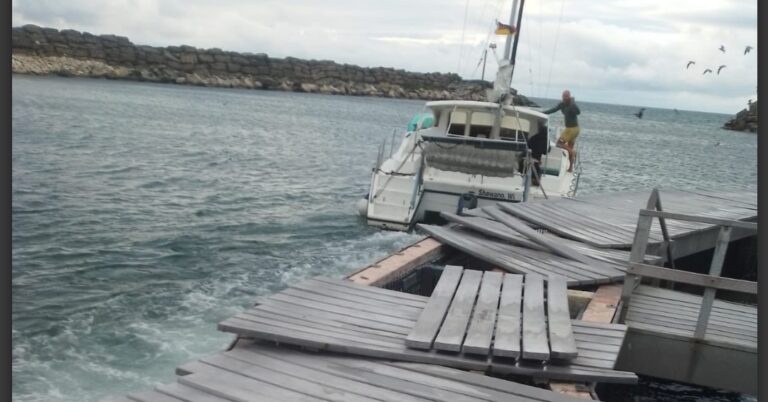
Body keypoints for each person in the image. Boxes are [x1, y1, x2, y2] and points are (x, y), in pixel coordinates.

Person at [542, 90, 580, 172]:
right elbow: (553, 110)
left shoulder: (572, 104)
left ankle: (573, 152)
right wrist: (542, 113)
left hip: (572, 129)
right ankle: (570, 168)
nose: (564, 98)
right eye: (563, 96)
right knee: (569, 148)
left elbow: (578, 112)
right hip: (573, 129)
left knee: (559, 143)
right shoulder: (562, 104)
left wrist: (572, 103)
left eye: (566, 96)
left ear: (569, 96)